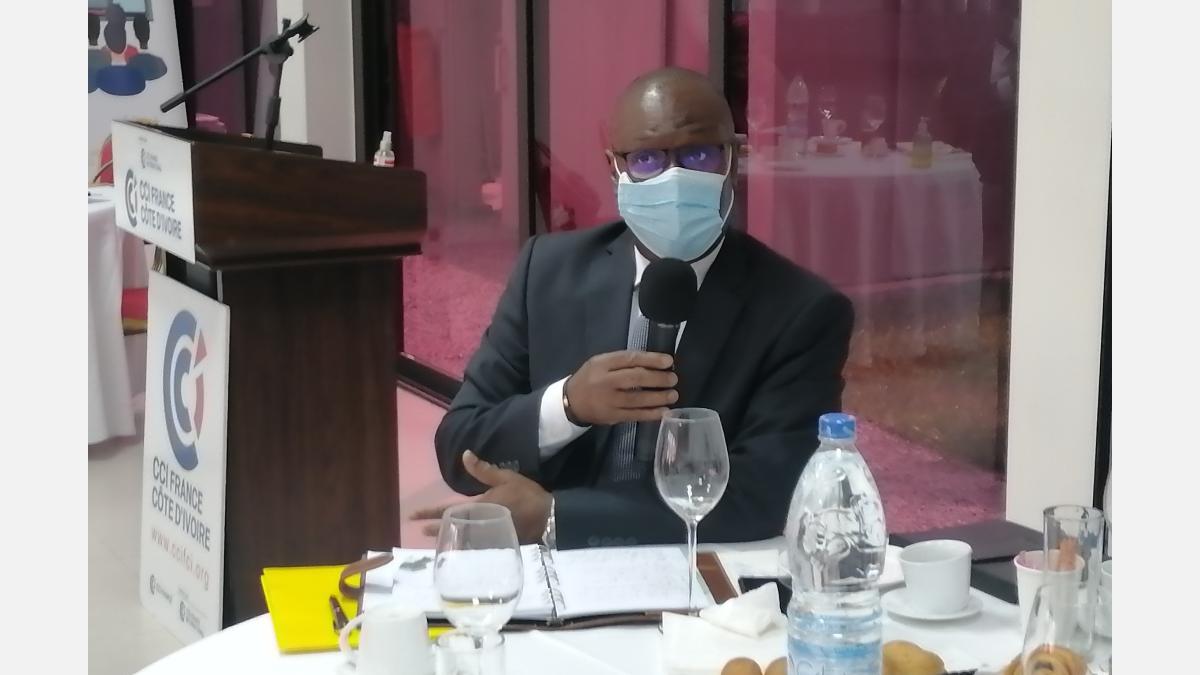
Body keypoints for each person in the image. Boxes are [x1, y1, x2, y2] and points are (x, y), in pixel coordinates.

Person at [414, 67, 853, 549]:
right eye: (646, 159)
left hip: (700, 568)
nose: (674, 177)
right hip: (550, 574)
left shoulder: (800, 310)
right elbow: (461, 448)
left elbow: (766, 494)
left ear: (733, 160)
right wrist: (569, 405)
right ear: (614, 167)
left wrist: (557, 515)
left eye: (698, 155)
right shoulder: (548, 272)